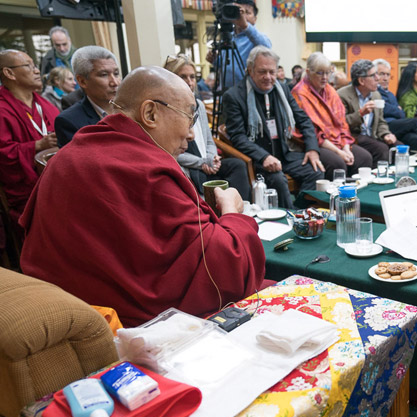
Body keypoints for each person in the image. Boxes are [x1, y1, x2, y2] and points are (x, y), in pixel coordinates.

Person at [20, 66, 266, 327]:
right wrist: (232, 213)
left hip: (63, 314)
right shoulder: (147, 171)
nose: (191, 134)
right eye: (189, 118)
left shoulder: (69, 155)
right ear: (150, 113)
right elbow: (226, 270)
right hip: (127, 329)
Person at [224, 46, 324, 207]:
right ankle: (289, 219)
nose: (268, 77)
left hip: (284, 154)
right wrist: (264, 157)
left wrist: (312, 149)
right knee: (278, 179)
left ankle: (300, 212)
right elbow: (238, 137)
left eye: (272, 72)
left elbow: (303, 120)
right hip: (257, 159)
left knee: (316, 171)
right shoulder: (234, 96)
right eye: (262, 72)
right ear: (250, 70)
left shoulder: (282, 89)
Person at [164, 54, 251, 200]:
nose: (189, 82)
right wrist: (201, 163)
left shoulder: (199, 105)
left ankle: (241, 209)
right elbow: (171, 153)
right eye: (183, 77)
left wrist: (211, 159)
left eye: (192, 77)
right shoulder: (167, 109)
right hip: (190, 165)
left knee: (237, 165)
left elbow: (209, 141)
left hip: (206, 162)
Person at [0, 50, 58, 229]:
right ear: (9, 73)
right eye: (29, 66)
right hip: (28, 191)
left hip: (58, 179)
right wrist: (37, 146)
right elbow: (3, 155)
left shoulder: (44, 104)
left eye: (35, 65)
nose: (37, 71)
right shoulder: (2, 109)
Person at [292, 52, 371, 179]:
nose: (325, 77)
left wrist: (346, 148)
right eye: (320, 73)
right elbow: (313, 132)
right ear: (308, 72)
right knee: (337, 164)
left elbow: (342, 124)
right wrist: (338, 152)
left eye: (328, 72)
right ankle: (334, 198)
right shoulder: (300, 93)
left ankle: (356, 194)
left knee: (364, 158)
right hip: (316, 144)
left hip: (338, 140)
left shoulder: (330, 90)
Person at [55, 46, 120, 147]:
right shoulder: (69, 121)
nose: (115, 82)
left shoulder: (132, 108)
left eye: (116, 74)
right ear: (82, 81)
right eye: (104, 75)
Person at [337, 59, 397, 163]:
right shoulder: (342, 95)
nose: (378, 78)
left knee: (398, 146)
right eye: (373, 75)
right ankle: (377, 178)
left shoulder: (376, 94)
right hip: (354, 136)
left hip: (372, 136)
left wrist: (385, 134)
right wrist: (361, 113)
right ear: (361, 81)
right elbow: (341, 123)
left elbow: (381, 121)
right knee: (381, 149)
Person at [373, 58, 417, 152]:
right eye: (382, 74)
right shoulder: (373, 91)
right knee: (416, 122)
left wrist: (397, 110)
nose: (385, 78)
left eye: (388, 74)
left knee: (413, 138)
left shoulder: (390, 94)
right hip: (384, 125)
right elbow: (385, 110)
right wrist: (398, 110)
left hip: (397, 124)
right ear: (374, 75)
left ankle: (416, 162)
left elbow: (401, 114)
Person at [209, 0, 271, 89]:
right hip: (227, 92)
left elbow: (267, 47)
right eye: (240, 12)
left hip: (246, 93)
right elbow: (226, 66)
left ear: (255, 19)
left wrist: (245, 26)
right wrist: (215, 60)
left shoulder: (256, 38)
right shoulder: (229, 37)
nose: (243, 16)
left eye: (247, 12)